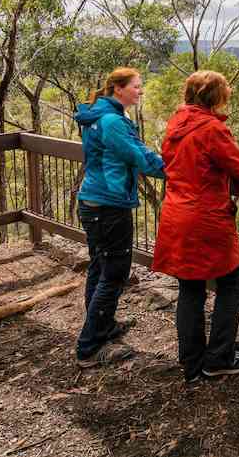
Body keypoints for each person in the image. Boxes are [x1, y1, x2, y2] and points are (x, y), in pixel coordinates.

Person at [152, 70, 239, 383]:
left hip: (176, 213)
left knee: (190, 287)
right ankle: (219, 358)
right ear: (215, 97)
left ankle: (191, 364)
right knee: (233, 279)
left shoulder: (176, 123)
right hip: (204, 217)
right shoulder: (211, 128)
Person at [72, 66, 166, 367]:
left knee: (100, 267)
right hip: (109, 205)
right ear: (118, 89)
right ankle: (89, 348)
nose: (140, 91)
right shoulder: (112, 121)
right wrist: (180, 169)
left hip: (94, 201)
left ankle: (103, 327)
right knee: (113, 273)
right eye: (136, 86)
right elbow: (141, 158)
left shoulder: (99, 115)